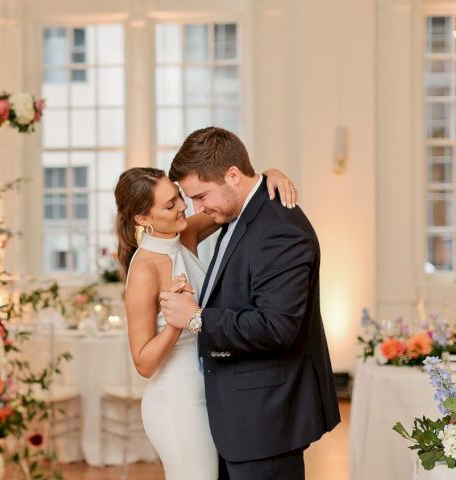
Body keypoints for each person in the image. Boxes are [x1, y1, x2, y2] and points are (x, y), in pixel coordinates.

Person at [159, 127, 341, 480]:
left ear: (232, 175)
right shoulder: (238, 208)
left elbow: (276, 328)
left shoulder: (279, 230)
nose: (198, 208)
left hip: (265, 419)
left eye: (201, 195)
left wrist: (195, 319)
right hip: (241, 416)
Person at [113, 164, 298, 480]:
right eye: (170, 205)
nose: (183, 207)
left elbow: (233, 202)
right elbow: (143, 364)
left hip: (209, 390)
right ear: (143, 219)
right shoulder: (144, 269)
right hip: (177, 400)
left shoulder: (183, 232)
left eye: (179, 197)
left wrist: (270, 175)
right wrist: (176, 321)